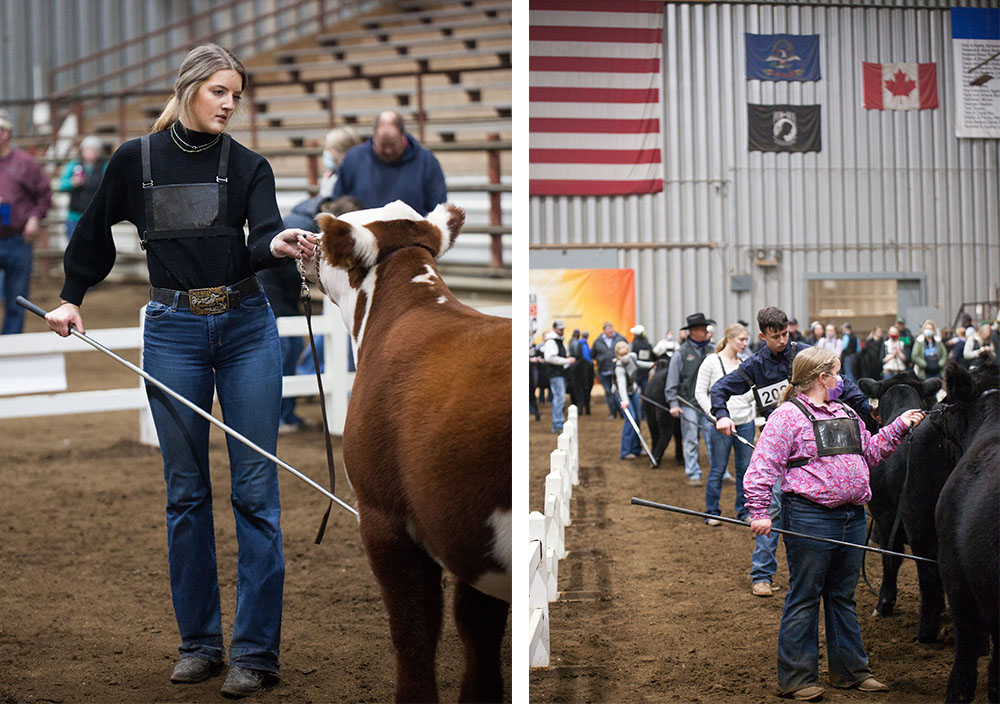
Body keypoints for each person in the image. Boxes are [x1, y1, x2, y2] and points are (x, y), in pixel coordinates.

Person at [43, 44, 317, 698]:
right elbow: (93, 232)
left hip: (247, 327)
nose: (229, 103)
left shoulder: (249, 165)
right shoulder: (134, 161)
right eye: (220, 90)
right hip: (172, 331)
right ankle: (199, 642)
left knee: (255, 490)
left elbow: (261, 237)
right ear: (190, 86)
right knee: (186, 493)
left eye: (236, 95)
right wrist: (72, 295)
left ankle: (255, 652)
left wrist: (278, 246)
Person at [744, 346, 925, 701]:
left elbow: (871, 451)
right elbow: (762, 467)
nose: (842, 380)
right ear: (821, 378)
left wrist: (899, 427)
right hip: (810, 516)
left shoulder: (845, 411)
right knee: (805, 596)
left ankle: (851, 671)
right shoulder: (787, 416)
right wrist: (760, 510)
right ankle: (797, 678)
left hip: (851, 516)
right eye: (837, 374)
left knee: (842, 596)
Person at [711, 306, 875, 597]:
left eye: (786, 334)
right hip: (777, 445)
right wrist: (721, 414)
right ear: (763, 336)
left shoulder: (806, 356)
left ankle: (823, 570)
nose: (783, 341)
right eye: (775, 337)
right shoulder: (755, 366)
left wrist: (871, 413)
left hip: (817, 448)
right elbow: (720, 389)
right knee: (769, 508)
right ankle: (762, 573)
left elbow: (845, 386)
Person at [257, 194, 364, 432]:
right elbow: (286, 266)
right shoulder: (305, 229)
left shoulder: (303, 219)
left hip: (279, 294)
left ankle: (287, 415)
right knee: (286, 351)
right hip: (274, 295)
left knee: (290, 349)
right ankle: (280, 418)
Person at [695, 323, 755, 525]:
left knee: (745, 469)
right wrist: (715, 416)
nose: (744, 343)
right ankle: (712, 511)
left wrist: (747, 403)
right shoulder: (711, 361)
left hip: (745, 421)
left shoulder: (746, 362)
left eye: (746, 340)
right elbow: (700, 392)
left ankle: (743, 511)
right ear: (729, 339)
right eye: (741, 339)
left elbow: (753, 391)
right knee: (718, 469)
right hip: (721, 424)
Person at [333, 110, 446, 215]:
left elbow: (438, 211)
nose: (388, 150)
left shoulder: (427, 162)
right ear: (374, 137)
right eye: (383, 145)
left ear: (403, 137)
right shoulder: (353, 159)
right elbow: (338, 204)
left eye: (392, 144)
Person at [0, 108, 52, 334]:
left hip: (18, 239)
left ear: (6, 133)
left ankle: (10, 348)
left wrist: (33, 218)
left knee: (16, 298)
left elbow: (44, 195)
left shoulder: (25, 163)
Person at [665, 312, 717, 486]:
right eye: (703, 329)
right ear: (694, 331)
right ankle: (693, 473)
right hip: (688, 403)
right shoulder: (680, 354)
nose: (706, 332)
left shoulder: (712, 350)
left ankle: (719, 471)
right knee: (691, 439)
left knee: (713, 439)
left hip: (709, 403)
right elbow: (672, 381)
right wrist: (673, 403)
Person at [58, 135, 107, 243]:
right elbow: (61, 185)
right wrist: (72, 183)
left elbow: (110, 187)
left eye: (93, 149)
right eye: (87, 149)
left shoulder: (104, 167)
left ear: (98, 152)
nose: (90, 152)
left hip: (96, 216)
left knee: (95, 248)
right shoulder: (73, 165)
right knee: (74, 247)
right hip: (75, 216)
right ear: (82, 151)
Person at [613, 340, 653, 459]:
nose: (624, 356)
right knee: (630, 420)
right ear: (617, 356)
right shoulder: (619, 368)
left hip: (632, 390)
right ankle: (625, 451)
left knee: (638, 418)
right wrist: (624, 401)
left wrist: (652, 364)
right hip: (621, 394)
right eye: (621, 355)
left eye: (626, 353)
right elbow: (621, 384)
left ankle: (636, 448)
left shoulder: (633, 358)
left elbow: (639, 364)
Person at [542, 319, 576, 433]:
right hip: (556, 373)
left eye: (562, 328)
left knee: (559, 398)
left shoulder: (556, 340)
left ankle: (558, 422)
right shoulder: (552, 341)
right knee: (559, 398)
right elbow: (550, 357)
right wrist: (566, 361)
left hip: (558, 373)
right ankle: (557, 423)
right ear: (555, 329)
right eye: (560, 329)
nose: (562, 330)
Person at [591, 322, 627, 419]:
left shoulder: (620, 339)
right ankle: (612, 412)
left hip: (618, 370)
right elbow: (593, 355)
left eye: (612, 328)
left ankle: (622, 412)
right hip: (604, 371)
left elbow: (627, 350)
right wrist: (600, 360)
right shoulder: (597, 341)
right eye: (608, 328)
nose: (611, 330)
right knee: (608, 392)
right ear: (604, 330)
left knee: (619, 392)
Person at [318, 126, 362, 198]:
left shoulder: (337, 181)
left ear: (342, 153)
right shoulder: (332, 176)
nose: (326, 152)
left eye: (329, 149)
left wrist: (326, 187)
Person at [630, 324, 654, 400]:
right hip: (645, 372)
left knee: (633, 390)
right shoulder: (648, 345)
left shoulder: (634, 345)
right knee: (645, 392)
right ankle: (645, 409)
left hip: (636, 372)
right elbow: (651, 357)